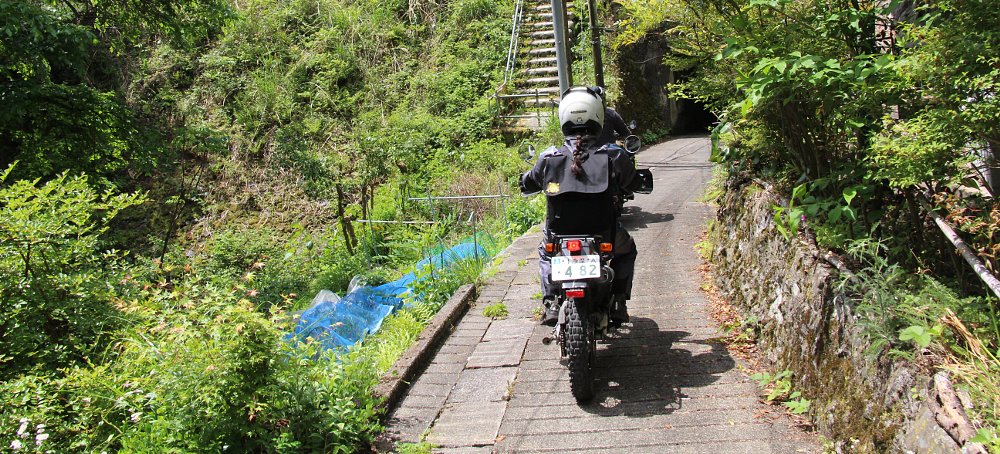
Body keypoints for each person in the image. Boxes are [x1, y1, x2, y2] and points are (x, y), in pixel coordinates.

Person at [520, 86, 638, 326]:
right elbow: (631, 182)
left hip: (558, 235)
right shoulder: (613, 155)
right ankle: (617, 300)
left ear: (564, 116)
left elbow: (528, 182)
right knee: (627, 250)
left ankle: (552, 300)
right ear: (598, 115)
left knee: (545, 253)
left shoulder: (548, 157)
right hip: (605, 235)